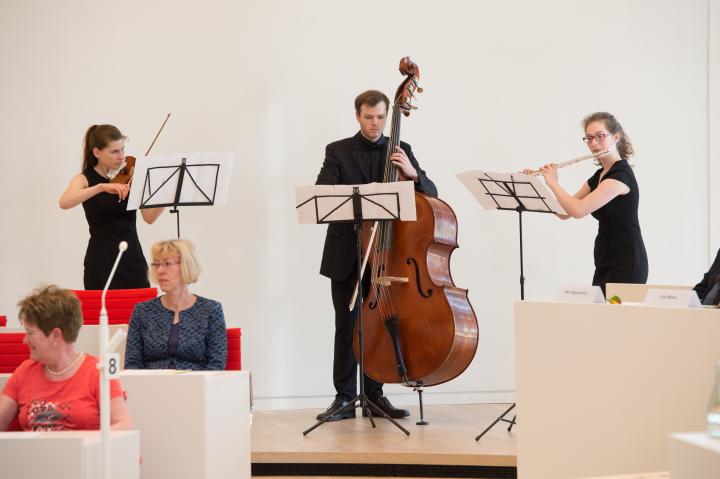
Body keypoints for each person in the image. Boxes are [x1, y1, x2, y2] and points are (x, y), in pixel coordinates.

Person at [314, 90, 438, 421]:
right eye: (369, 117)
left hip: (387, 255)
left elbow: (431, 194)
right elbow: (323, 193)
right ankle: (343, 398)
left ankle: (375, 395)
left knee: (380, 328)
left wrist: (413, 174)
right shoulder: (338, 151)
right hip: (347, 254)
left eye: (381, 117)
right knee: (347, 327)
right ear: (358, 116)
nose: (375, 124)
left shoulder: (400, 150)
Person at [532, 112, 648, 294]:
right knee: (600, 320)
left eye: (600, 136)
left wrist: (553, 183)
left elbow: (578, 210)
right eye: (589, 138)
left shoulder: (620, 176)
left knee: (615, 321)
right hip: (605, 258)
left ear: (616, 137)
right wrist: (534, 185)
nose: (593, 143)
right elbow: (564, 212)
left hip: (626, 261)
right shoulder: (598, 177)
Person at [0, 285, 133, 431]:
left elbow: (124, 425)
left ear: (56, 335)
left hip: (83, 453)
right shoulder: (24, 372)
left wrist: (83, 444)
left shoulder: (97, 372)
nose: (25, 340)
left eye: (30, 333)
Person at [59, 124, 164, 289]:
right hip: (101, 263)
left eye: (123, 149)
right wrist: (101, 187)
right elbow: (64, 202)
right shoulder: (85, 179)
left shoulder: (130, 175)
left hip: (132, 260)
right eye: (114, 151)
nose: (121, 157)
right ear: (97, 152)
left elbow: (149, 218)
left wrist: (164, 195)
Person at [124, 239, 227, 370]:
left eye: (167, 264)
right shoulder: (142, 311)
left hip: (194, 387)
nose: (160, 270)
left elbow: (216, 365)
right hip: (151, 387)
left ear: (186, 266)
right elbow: (132, 364)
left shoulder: (211, 310)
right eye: (157, 264)